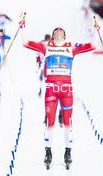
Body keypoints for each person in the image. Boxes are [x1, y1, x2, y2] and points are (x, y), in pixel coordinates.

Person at [23, 26, 95, 168]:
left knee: (68, 124)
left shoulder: (71, 47)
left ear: (65, 35)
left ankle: (68, 152)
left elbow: (93, 45)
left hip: (66, 91)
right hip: (51, 90)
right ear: (53, 35)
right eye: (56, 31)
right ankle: (48, 152)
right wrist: (22, 26)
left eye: (61, 31)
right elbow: (25, 42)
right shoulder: (45, 46)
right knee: (50, 124)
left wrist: (96, 30)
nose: (58, 31)